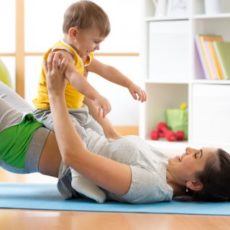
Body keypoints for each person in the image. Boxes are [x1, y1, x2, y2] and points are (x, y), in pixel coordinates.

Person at [1, 80, 230, 203]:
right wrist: (86, 88)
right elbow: (112, 138)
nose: (189, 149)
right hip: (39, 123)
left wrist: (56, 94)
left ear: (195, 184)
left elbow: (75, 158)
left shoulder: (150, 185)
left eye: (197, 155)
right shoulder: (164, 163)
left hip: (23, 142)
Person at [32, 0, 146, 202]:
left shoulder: (82, 54)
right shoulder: (61, 54)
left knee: (99, 135)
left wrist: (130, 85)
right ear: (74, 33)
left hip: (76, 111)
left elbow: (106, 70)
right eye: (95, 41)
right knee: (79, 138)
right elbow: (75, 78)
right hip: (50, 111)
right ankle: (78, 177)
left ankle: (95, 173)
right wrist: (96, 96)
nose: (98, 47)